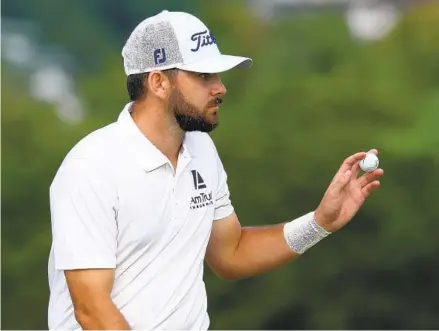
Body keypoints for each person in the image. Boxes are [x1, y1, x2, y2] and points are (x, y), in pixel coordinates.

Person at [47, 10, 384, 330]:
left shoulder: (200, 148)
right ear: (159, 83)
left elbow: (231, 253)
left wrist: (319, 223)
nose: (220, 87)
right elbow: (92, 309)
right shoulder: (90, 168)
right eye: (203, 75)